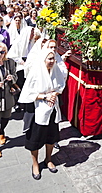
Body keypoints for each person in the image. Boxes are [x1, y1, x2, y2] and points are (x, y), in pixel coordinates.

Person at [18, 49, 66, 180]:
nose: (52, 61)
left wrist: (54, 94)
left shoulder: (56, 70)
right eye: (49, 59)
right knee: (35, 139)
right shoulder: (35, 72)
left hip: (52, 110)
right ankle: (35, 164)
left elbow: (61, 85)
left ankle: (48, 159)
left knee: (51, 137)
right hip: (37, 111)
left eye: (53, 59)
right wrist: (44, 97)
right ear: (43, 59)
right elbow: (27, 93)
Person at [0, 43, 17, 158]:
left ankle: (2, 132)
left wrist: (12, 77)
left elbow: (16, 76)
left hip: (7, 97)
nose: (0, 55)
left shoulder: (9, 62)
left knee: (6, 117)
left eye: (2, 52)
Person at [8, 26, 39, 112]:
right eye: (31, 33)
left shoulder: (32, 43)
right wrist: (21, 62)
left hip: (29, 66)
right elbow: (11, 55)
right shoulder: (18, 42)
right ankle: (18, 103)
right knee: (20, 84)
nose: (33, 35)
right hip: (20, 66)